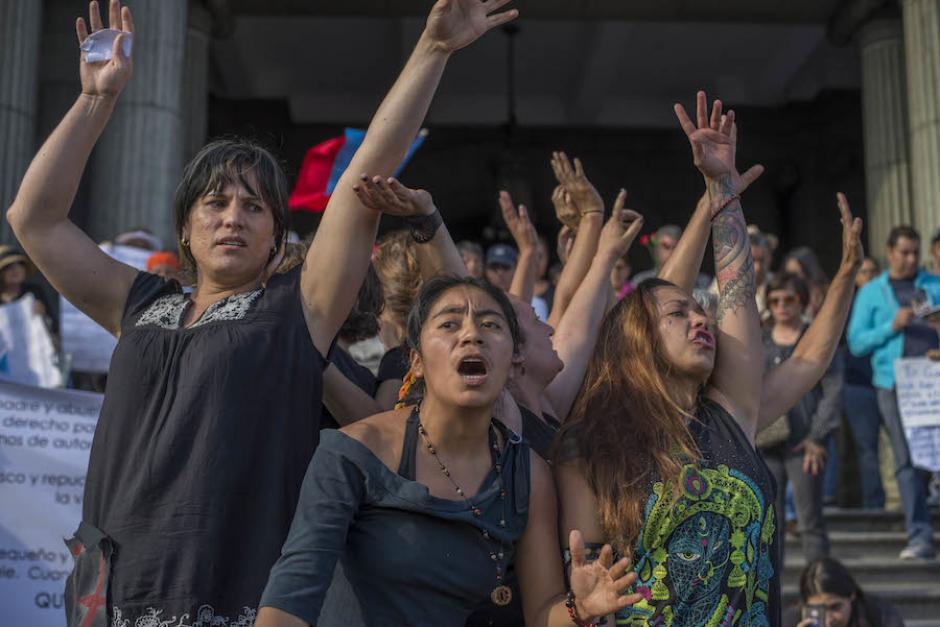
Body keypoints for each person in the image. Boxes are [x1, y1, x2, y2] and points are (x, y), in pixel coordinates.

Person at [5, 1, 447, 624]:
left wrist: (432, 48)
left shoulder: (298, 312)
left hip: (233, 591)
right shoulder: (139, 303)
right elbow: (34, 220)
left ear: (276, 236)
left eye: (254, 207)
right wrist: (95, 101)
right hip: (112, 592)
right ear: (186, 229)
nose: (233, 218)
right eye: (215, 203)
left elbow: (365, 172)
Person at [555, 92, 863, 626]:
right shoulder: (589, 449)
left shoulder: (731, 416)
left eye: (702, 311)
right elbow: (585, 593)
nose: (702, 320)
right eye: (679, 314)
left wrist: (722, 187)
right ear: (636, 342)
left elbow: (739, 295)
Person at [256, 284, 640, 623]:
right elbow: (293, 594)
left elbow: (543, 613)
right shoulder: (353, 451)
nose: (472, 334)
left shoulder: (527, 472)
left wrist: (580, 609)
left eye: (491, 325)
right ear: (417, 361)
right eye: (449, 324)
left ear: (512, 364)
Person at [847, 225, 940, 559]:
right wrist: (892, 325)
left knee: (933, 459)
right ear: (889, 252)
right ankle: (920, 534)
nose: (912, 258)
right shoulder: (872, 291)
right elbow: (856, 343)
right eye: (904, 252)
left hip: (933, 381)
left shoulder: (934, 284)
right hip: (895, 383)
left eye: (916, 252)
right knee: (905, 458)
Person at [759, 272, 843, 562]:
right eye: (774, 300)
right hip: (765, 442)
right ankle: (769, 602)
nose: (781, 305)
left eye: (789, 299)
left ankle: (820, 594)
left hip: (804, 443)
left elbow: (833, 390)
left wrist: (817, 436)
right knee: (770, 524)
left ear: (801, 301)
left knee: (810, 521)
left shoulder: (814, 337)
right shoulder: (759, 339)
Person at [843, 256, 885, 509]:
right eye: (863, 271)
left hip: (889, 381)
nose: (868, 276)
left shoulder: (884, 302)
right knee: (867, 448)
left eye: (873, 271)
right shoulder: (848, 306)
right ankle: (874, 504)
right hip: (858, 384)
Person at [786, 558, 904, 627]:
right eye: (817, 610)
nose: (828, 621)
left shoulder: (881, 615)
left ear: (852, 595)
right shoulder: (792, 620)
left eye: (835, 607)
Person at [784, 247, 829, 319]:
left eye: (795, 274)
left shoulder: (824, 292)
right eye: (789, 275)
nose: (793, 280)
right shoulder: (786, 292)